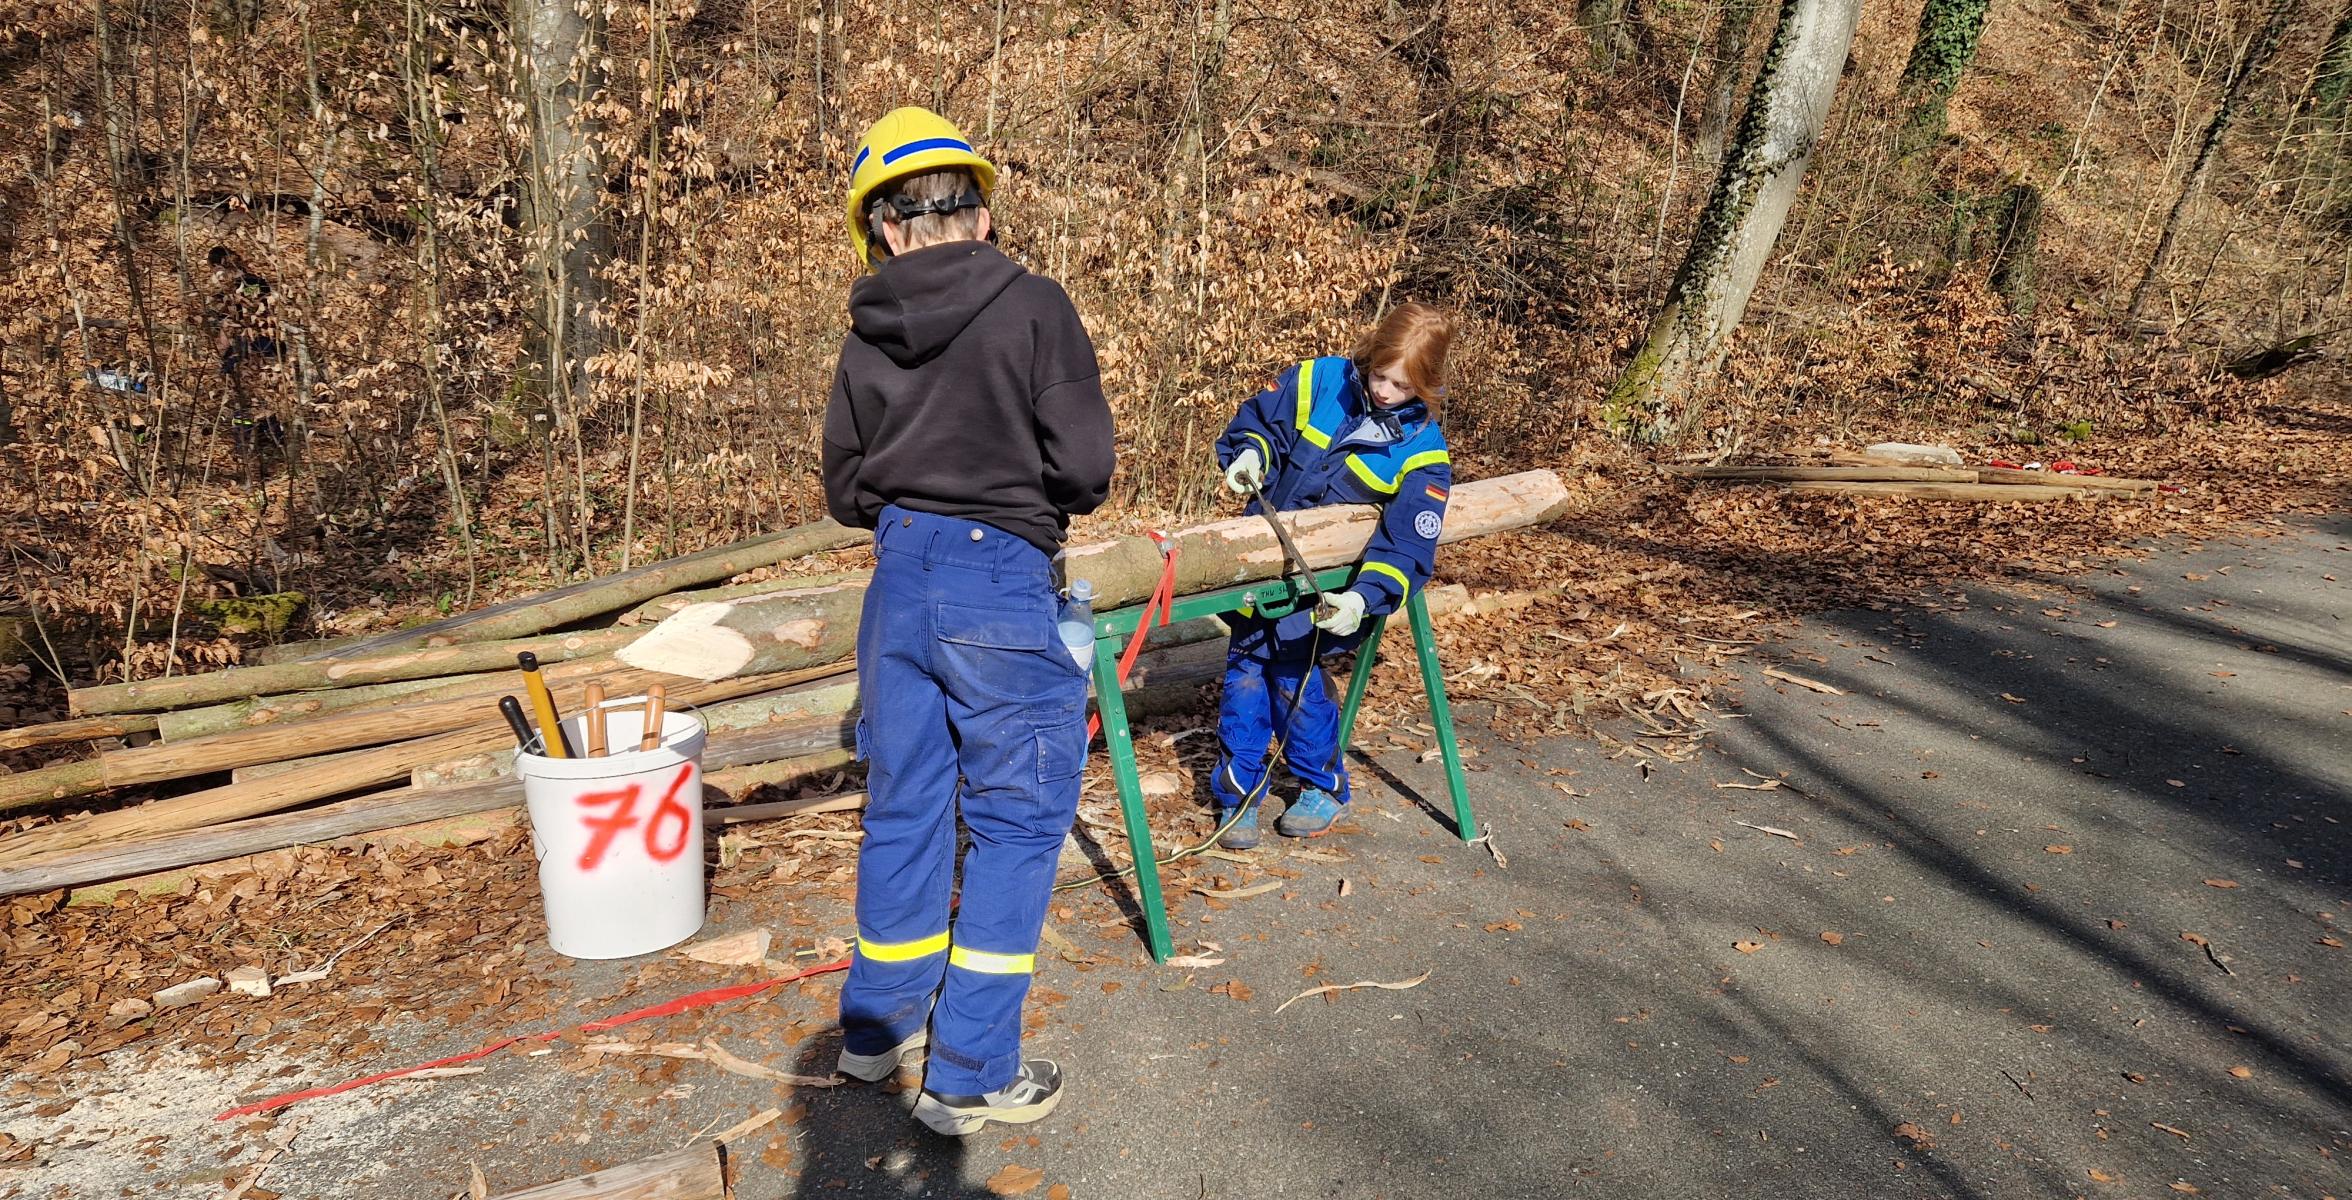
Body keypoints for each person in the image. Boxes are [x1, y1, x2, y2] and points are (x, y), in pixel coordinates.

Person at [820, 106, 1115, 1137]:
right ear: (981, 215)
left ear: (886, 231)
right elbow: (1086, 470)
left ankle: (875, 1031)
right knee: (1017, 823)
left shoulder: (865, 336)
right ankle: (967, 1073)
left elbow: (845, 490)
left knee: (905, 802)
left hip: (897, 578)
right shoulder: (1036, 308)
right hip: (999, 577)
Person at [1209, 303, 1456, 848]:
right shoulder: (1316, 380)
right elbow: (1259, 423)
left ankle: (1323, 787)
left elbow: (1408, 543)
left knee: (1294, 683)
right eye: (1380, 376)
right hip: (1258, 570)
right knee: (1245, 676)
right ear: (1369, 355)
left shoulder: (1424, 453)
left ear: (1427, 384)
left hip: (1323, 593)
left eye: (1403, 385)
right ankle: (1236, 796)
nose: (1387, 391)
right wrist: (1249, 454)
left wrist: (1365, 599)